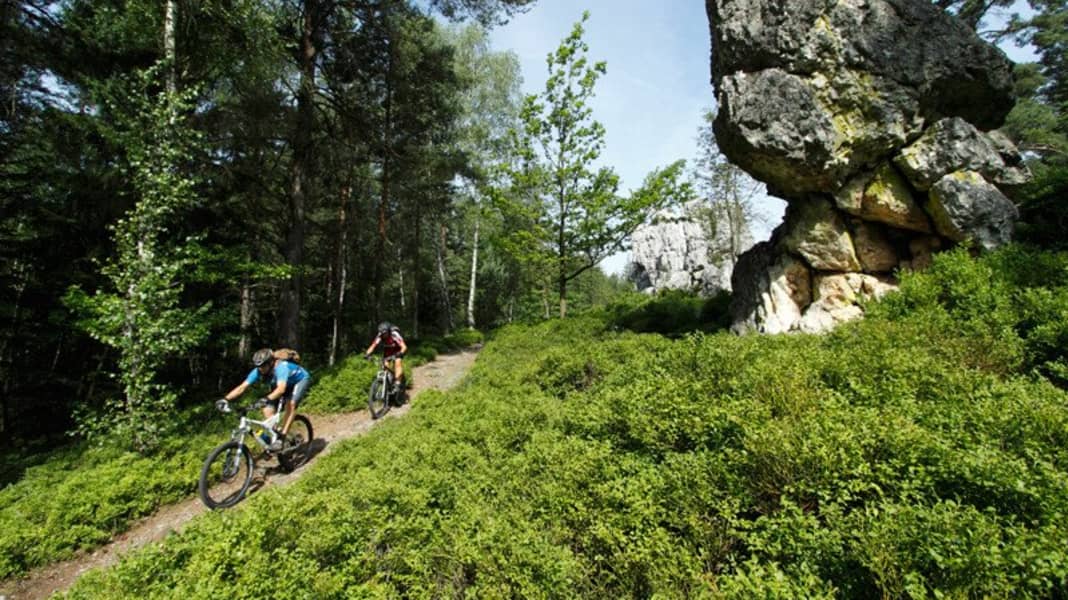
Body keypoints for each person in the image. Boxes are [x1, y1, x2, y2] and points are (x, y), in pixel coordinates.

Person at [220, 348, 312, 452]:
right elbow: (242, 387)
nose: (261, 369)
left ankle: (281, 439)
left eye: (263, 366)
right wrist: (225, 399)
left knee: (290, 404)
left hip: (299, 381)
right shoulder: (258, 371)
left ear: (271, 362)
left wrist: (265, 399)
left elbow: (281, 389)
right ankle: (276, 434)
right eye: (258, 366)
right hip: (281, 384)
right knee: (267, 410)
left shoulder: (281, 367)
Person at [363, 321, 408, 395]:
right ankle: (387, 385)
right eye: (382, 334)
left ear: (389, 331)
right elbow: (373, 345)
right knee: (385, 367)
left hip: (397, 350)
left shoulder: (394, 334)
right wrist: (367, 354)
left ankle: (397, 383)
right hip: (387, 352)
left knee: (398, 362)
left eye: (385, 333)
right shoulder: (380, 335)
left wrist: (400, 353)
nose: (384, 335)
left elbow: (404, 347)